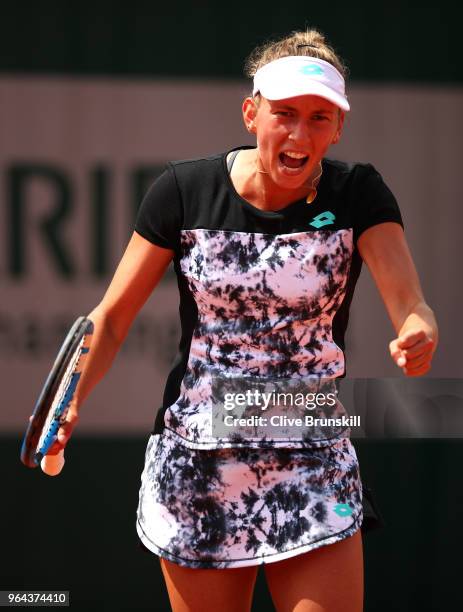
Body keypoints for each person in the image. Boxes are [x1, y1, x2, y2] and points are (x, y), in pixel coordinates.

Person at [49, 29, 438, 612]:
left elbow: (410, 301)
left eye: (319, 118)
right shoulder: (182, 191)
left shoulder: (360, 194)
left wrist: (418, 329)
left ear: (338, 129)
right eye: (284, 114)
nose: (299, 134)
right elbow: (112, 317)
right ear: (251, 113)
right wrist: (72, 395)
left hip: (312, 455)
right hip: (200, 460)